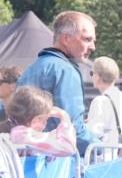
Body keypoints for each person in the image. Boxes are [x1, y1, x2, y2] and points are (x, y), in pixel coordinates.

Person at [16, 11, 98, 154]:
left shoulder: (29, 71)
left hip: (28, 163)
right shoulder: (66, 70)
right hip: (61, 167)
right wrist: (101, 147)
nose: (92, 47)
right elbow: (73, 128)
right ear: (66, 39)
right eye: (87, 39)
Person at [0, 86, 77, 157]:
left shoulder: (16, 133)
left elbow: (49, 137)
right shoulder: (26, 136)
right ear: (36, 120)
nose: (45, 125)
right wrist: (64, 116)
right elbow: (68, 148)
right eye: (45, 120)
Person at [87, 56, 122, 144]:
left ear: (98, 76)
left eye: (91, 73)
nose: (92, 76)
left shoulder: (99, 101)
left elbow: (93, 133)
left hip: (105, 155)